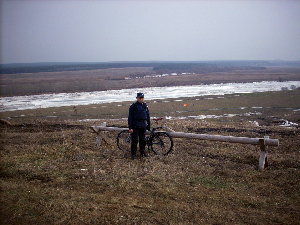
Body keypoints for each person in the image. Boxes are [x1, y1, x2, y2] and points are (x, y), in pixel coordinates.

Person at [128, 92, 150, 159]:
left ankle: (142, 152)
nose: (141, 99)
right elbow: (130, 117)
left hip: (143, 125)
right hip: (135, 125)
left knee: (142, 140)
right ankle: (133, 154)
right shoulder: (133, 106)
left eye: (142, 98)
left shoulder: (145, 105)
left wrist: (148, 126)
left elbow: (148, 116)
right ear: (137, 98)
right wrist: (130, 127)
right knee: (135, 140)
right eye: (140, 98)